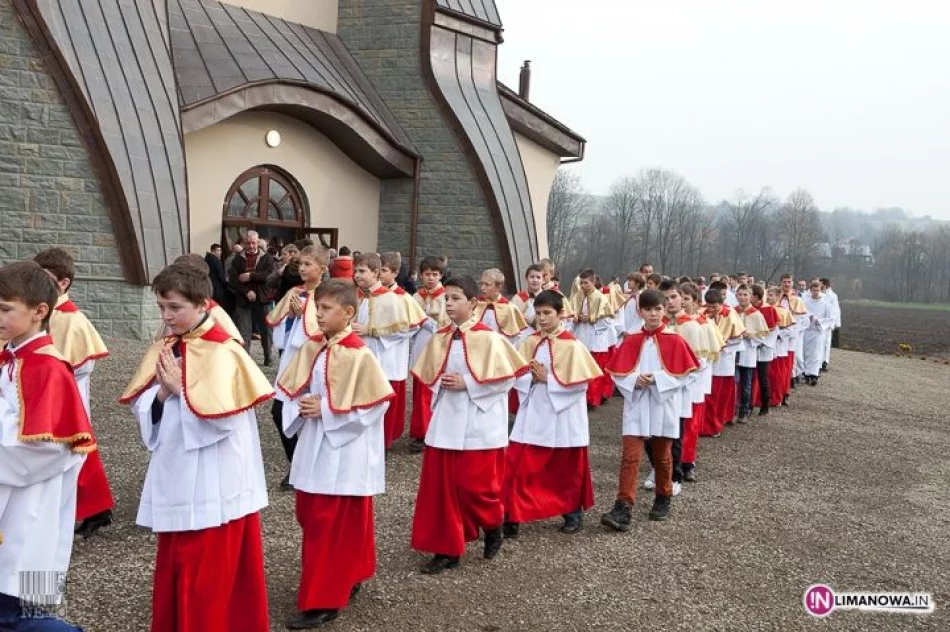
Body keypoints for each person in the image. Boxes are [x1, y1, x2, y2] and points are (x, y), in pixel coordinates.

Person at [119, 263, 272, 632]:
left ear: (203, 304)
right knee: (176, 564)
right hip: (176, 470)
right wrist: (161, 394)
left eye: (174, 307)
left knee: (205, 575)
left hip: (214, 479)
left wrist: (180, 391)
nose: (166, 316)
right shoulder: (169, 346)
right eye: (161, 307)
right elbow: (145, 404)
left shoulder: (224, 351)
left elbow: (224, 420)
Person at [276, 280, 394, 629]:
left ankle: (323, 600)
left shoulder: (359, 354)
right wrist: (303, 406)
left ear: (348, 313)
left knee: (330, 524)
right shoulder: (314, 347)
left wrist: (326, 410)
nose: (318, 314)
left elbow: (375, 405)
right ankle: (350, 572)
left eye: (326, 308)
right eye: (317, 308)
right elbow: (292, 392)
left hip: (345, 452)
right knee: (312, 515)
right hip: (316, 443)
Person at [409, 276, 528, 574]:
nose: (449, 304)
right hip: (446, 421)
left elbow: (506, 379)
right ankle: (447, 549)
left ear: (473, 302)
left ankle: (493, 524)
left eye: (456, 298)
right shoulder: (441, 337)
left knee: (476, 487)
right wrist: (441, 383)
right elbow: (430, 374)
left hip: (479, 423)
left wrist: (469, 384)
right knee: (443, 490)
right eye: (446, 299)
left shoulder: (490, 339)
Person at [0, 261, 94, 632]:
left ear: (39, 311)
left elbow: (47, 449)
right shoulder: (13, 356)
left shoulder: (48, 368)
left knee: (20, 611)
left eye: (5, 309)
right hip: (12, 498)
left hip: (33, 507)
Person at [502, 290, 601, 537]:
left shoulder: (573, 346)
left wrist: (550, 380)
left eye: (547, 313)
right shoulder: (529, 342)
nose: (542, 318)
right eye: (538, 313)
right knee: (517, 464)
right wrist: (531, 378)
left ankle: (572, 513)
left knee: (564, 467)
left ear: (560, 314)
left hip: (563, 416)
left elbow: (580, 385)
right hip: (534, 411)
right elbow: (517, 375)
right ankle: (511, 515)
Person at [600, 289, 699, 529]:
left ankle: (663, 496)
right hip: (637, 403)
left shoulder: (675, 340)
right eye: (648, 309)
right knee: (630, 457)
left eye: (657, 309)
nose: (653, 314)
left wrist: (657, 379)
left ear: (664, 310)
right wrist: (634, 379)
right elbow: (617, 373)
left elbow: (687, 374)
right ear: (640, 311)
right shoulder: (632, 339)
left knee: (662, 456)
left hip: (662, 403)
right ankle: (623, 506)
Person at [33, 248, 114, 539]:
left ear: (63, 282)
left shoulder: (72, 319)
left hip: (66, 394)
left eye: (43, 277)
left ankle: (91, 510)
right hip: (41, 392)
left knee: (74, 451)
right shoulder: (39, 309)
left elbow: (83, 362)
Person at [266, 245, 328, 489]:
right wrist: (292, 317)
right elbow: (279, 328)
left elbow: (324, 330)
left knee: (310, 413)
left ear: (322, 268)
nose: (302, 268)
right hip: (292, 358)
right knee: (279, 410)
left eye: (307, 264)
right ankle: (296, 463)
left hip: (315, 359)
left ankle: (312, 466)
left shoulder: (328, 295)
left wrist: (304, 316)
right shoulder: (294, 292)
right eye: (300, 263)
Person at [353, 253, 425, 450]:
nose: (356, 275)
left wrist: (372, 330)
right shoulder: (363, 296)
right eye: (356, 271)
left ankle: (381, 446)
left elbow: (408, 327)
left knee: (383, 407)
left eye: (361, 271)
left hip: (386, 357)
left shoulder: (395, 299)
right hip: (366, 356)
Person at [408, 256, 450, 453]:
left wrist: (427, 321)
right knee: (419, 391)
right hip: (419, 343)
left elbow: (446, 323)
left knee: (430, 391)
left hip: (437, 345)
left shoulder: (445, 297)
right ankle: (420, 430)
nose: (431, 278)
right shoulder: (416, 296)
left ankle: (427, 431)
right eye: (427, 274)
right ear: (421, 275)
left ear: (440, 275)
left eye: (434, 274)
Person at [229, 230, 277, 365]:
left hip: (263, 299)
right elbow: (233, 280)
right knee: (244, 332)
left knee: (266, 331)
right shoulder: (237, 259)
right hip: (243, 299)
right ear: (244, 243)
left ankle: (268, 357)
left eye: (253, 243)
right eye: (248, 243)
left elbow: (269, 276)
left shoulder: (267, 258)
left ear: (258, 242)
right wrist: (247, 291)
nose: (251, 246)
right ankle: (245, 361)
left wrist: (251, 276)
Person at [702, 287, 745, 435]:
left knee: (718, 396)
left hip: (723, 361)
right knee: (708, 395)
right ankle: (706, 425)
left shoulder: (730, 314)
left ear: (721, 303)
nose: (711, 310)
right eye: (708, 306)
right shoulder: (703, 313)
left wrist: (723, 345)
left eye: (714, 307)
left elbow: (738, 338)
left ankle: (715, 425)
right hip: (708, 359)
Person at [570, 269, 616, 407]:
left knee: (595, 370)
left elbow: (608, 320)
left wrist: (591, 319)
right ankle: (581, 398)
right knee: (581, 368)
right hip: (581, 335)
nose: (583, 286)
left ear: (593, 282)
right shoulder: (578, 296)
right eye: (582, 283)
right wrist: (576, 318)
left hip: (595, 339)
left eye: (586, 283)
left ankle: (593, 399)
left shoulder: (601, 298)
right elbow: (570, 314)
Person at [734, 285, 770, 422]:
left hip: (748, 352)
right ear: (736, 295)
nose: (742, 297)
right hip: (734, 352)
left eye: (745, 295)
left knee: (746, 383)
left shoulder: (756, 314)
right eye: (740, 294)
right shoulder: (733, 312)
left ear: (750, 297)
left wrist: (749, 335)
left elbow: (763, 336)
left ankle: (744, 410)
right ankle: (733, 409)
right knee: (734, 382)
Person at [475, 268, 529, 344]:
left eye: (487, 284)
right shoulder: (476, 304)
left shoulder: (509, 308)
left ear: (499, 287)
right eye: (482, 284)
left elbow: (514, 338)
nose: (482, 288)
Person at [750, 284, 779, 417]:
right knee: (749, 377)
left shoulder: (768, 309)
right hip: (750, 346)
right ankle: (749, 405)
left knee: (762, 377)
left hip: (763, 347)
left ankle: (765, 404)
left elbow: (772, 330)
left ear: (756, 296)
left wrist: (761, 342)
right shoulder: (748, 309)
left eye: (749, 294)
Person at [802, 280, 836, 385]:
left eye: (817, 290)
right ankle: (807, 373)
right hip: (808, 331)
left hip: (818, 331)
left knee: (817, 353)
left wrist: (820, 322)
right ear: (810, 291)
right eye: (813, 290)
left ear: (820, 290)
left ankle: (814, 374)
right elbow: (802, 314)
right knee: (807, 353)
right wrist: (808, 318)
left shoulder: (825, 303)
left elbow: (831, 318)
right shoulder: (805, 302)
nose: (816, 292)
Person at [510, 264, 545, 332]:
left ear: (543, 280)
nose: (535, 280)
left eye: (538, 277)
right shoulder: (518, 298)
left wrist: (532, 321)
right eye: (532, 277)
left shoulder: (548, 298)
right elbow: (511, 319)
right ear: (526, 278)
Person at [820, 278, 841, 370]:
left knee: (826, 342)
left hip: (828, 323)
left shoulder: (832, 296)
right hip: (820, 321)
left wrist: (835, 323)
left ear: (825, 285)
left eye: (820, 284)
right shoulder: (820, 294)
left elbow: (836, 310)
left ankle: (825, 361)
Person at [205, 243, 230, 310]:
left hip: (209, 287)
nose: (220, 253)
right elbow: (222, 276)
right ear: (213, 251)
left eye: (220, 251)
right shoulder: (216, 261)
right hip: (217, 289)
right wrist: (227, 283)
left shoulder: (206, 259)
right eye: (218, 250)